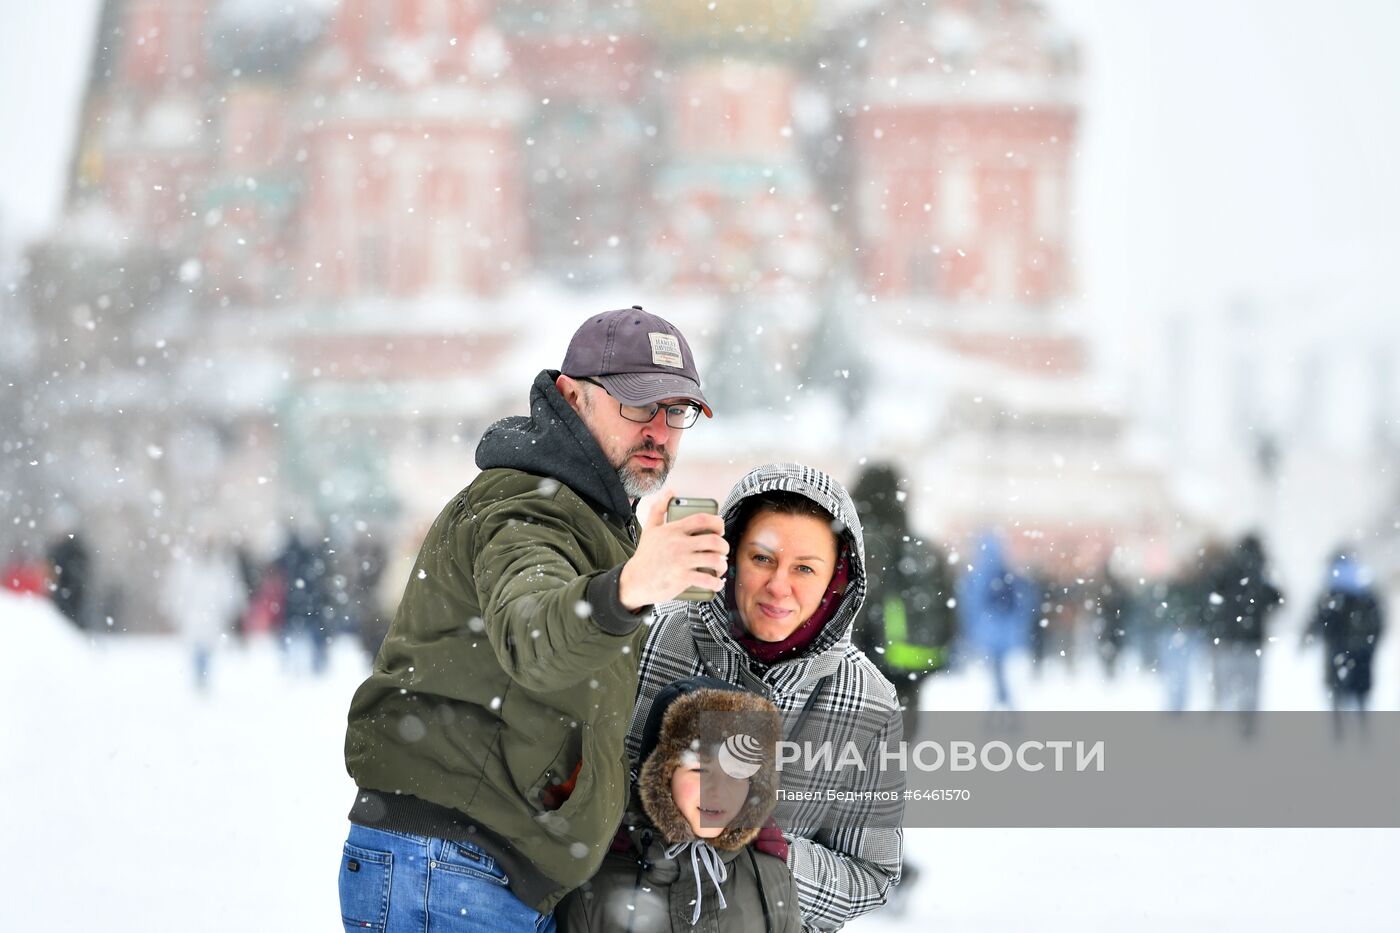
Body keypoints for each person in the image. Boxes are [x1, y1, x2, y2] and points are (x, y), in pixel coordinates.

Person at [340, 307, 727, 932]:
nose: (659, 429)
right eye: (636, 404)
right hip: (452, 869)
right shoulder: (524, 506)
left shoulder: (592, 514)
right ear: (573, 398)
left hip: (488, 871)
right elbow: (535, 635)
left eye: (676, 410)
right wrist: (629, 588)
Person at [627, 463, 904, 931]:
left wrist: (769, 852)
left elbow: (871, 875)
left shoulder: (869, 700)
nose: (779, 586)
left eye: (804, 568)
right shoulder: (654, 635)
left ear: (835, 580)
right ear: (733, 557)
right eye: (762, 559)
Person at [558, 677, 800, 932]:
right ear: (661, 776)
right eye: (699, 769)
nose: (717, 791)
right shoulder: (595, 889)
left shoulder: (772, 880)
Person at [850, 463, 957, 742]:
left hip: (858, 676)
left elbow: (853, 616)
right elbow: (951, 613)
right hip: (910, 672)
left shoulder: (856, 545)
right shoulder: (925, 550)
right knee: (891, 757)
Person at [1302, 547, 1384, 738]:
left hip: (1337, 650)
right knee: (1360, 693)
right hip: (1363, 651)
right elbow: (1379, 620)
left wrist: (1307, 638)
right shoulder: (1365, 587)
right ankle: (1363, 733)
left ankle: (1339, 735)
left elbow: (1318, 618)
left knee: (1337, 693)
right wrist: (1372, 642)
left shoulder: (1332, 589)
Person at [1206, 532, 1282, 736]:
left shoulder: (1227, 568)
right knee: (1249, 690)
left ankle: (1218, 727)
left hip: (1226, 638)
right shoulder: (1260, 573)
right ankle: (1246, 729)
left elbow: (1210, 593)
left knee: (1223, 689)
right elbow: (1277, 599)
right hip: (1251, 641)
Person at [957, 531, 1037, 711]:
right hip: (1002, 630)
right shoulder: (1005, 572)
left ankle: (1001, 698)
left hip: (990, 631)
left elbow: (972, 604)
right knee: (1000, 668)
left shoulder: (979, 575)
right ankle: (1002, 698)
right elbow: (1022, 602)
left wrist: (974, 628)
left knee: (997, 667)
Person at [159, 535, 246, 692]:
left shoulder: (218, 568)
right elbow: (178, 591)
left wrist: (230, 610)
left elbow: (228, 592)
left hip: (210, 617)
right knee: (197, 648)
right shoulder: (188, 567)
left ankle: (203, 678)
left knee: (207, 649)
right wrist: (176, 611)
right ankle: (199, 677)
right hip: (194, 617)